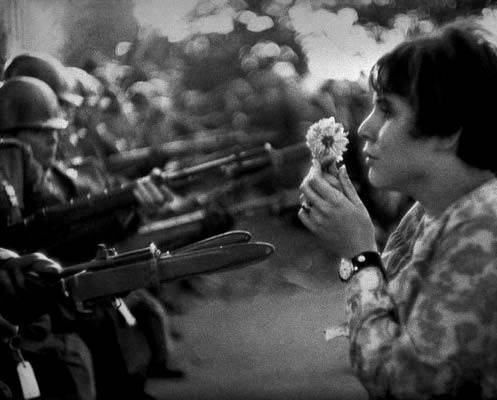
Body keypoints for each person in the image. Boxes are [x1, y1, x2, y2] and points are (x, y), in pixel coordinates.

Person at [299, 21, 497, 399]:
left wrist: (358, 254)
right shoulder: (428, 212)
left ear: (448, 129)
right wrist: (355, 238)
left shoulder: (486, 226)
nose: (364, 129)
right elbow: (388, 309)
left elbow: (403, 383)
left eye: (387, 110)